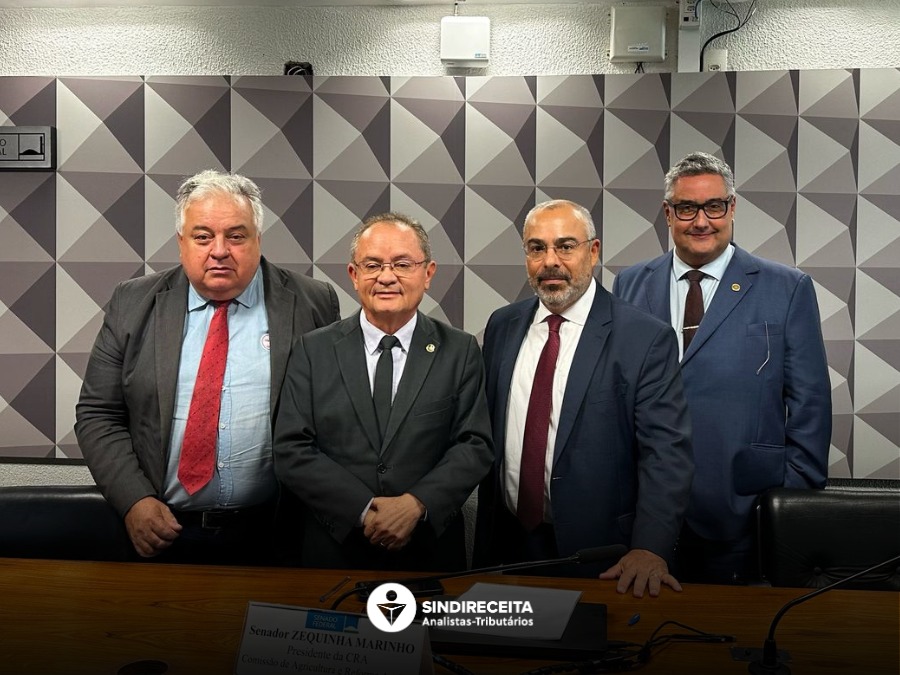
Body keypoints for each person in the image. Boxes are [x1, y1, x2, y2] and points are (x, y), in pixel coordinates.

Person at [75, 170, 340, 565]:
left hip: (276, 533)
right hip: (159, 530)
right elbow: (98, 413)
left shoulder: (312, 302)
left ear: (257, 239)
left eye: (236, 236)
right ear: (181, 242)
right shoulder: (132, 302)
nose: (219, 251)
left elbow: (333, 416)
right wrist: (135, 500)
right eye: (202, 237)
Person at [613, 151, 832, 584]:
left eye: (714, 206)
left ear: (732, 208)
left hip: (744, 513)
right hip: (643, 513)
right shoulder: (630, 284)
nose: (701, 221)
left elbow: (811, 405)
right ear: (668, 213)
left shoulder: (787, 288)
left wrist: (787, 502)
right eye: (686, 208)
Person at [474, 199, 694, 598]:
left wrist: (650, 547)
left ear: (593, 251)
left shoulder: (644, 337)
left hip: (604, 555)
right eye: (537, 248)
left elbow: (666, 454)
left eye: (565, 246)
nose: (550, 261)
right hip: (508, 545)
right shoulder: (503, 325)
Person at [273, 213, 493, 572]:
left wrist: (415, 504)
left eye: (402, 264)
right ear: (353, 274)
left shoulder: (460, 350)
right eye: (372, 265)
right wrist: (363, 509)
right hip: (334, 551)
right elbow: (291, 448)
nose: (386, 277)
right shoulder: (313, 350)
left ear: (428, 273)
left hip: (428, 553)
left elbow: (475, 445)